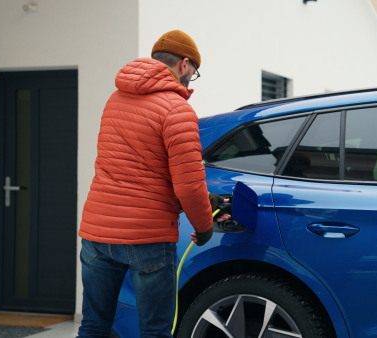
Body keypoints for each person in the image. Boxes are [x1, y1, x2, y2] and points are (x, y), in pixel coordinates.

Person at [77, 30, 228, 338]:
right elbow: (187, 184)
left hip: (97, 232)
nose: (191, 80)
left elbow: (131, 165)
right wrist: (203, 227)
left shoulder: (116, 98)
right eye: (194, 73)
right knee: (155, 332)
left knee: (93, 326)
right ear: (184, 64)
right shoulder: (176, 108)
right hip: (146, 237)